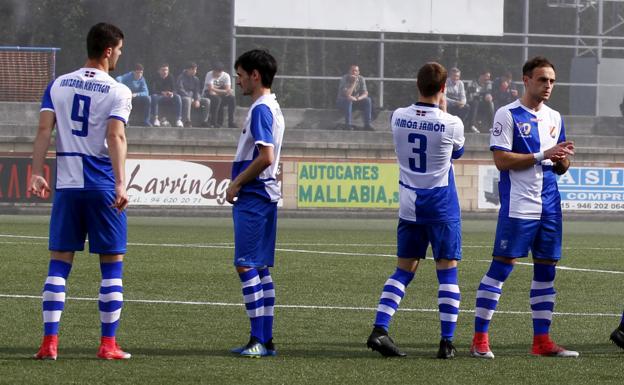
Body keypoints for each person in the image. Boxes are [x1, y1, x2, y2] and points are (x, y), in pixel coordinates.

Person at [29, 22, 132, 361]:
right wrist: (120, 182)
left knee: (58, 264)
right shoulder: (118, 90)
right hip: (102, 186)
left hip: (68, 187)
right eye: (118, 50)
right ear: (107, 50)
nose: (119, 55)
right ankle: (107, 345)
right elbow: (115, 137)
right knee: (111, 266)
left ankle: (49, 343)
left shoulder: (58, 84)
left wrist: (37, 172)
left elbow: (44, 130)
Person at [470, 56, 577, 359]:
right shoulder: (508, 114)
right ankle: (479, 339)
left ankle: (542, 342)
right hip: (519, 204)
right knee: (502, 266)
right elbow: (502, 160)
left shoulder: (555, 117)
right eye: (542, 79)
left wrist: (561, 160)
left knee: (547, 270)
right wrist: (545, 153)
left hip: (550, 204)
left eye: (552, 81)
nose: (548, 86)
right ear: (526, 80)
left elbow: (561, 164)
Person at [366, 62, 465, 359]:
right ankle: (446, 341)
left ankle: (380, 329)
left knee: (403, 270)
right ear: (444, 88)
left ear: (417, 85)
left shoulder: (397, 117)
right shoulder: (452, 123)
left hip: (410, 204)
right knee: (447, 271)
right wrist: (444, 111)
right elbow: (456, 153)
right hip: (441, 204)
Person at [225, 49, 284, 358]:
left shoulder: (262, 108)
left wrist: (236, 182)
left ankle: (258, 340)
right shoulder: (271, 106)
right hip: (264, 194)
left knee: (246, 264)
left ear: (255, 75)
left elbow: (265, 157)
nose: (238, 81)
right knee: (259, 267)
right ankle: (266, 339)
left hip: (255, 195)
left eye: (240, 75)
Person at [336, 64, 373, 130]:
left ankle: (367, 125)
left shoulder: (361, 78)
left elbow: (365, 93)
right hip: (343, 101)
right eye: (352, 71)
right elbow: (347, 94)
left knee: (368, 100)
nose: (354, 72)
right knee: (348, 100)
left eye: (356, 71)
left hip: (355, 100)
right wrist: (354, 82)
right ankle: (348, 125)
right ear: (349, 71)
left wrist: (359, 98)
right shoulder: (344, 78)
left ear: (358, 72)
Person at [202, 61, 237, 128]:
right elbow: (210, 90)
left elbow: (228, 90)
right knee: (217, 99)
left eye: (216, 72)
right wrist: (224, 91)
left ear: (221, 71)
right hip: (208, 94)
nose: (215, 74)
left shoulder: (226, 76)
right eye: (214, 72)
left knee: (232, 98)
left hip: (220, 95)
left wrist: (215, 90)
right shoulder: (209, 74)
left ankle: (231, 122)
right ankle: (214, 122)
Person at [176, 62, 210, 127]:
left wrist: (197, 100)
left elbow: (197, 91)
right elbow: (180, 89)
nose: (195, 71)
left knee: (207, 101)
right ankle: (187, 121)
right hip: (184, 97)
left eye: (195, 70)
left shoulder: (196, 79)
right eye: (193, 69)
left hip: (193, 98)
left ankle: (204, 121)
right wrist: (190, 98)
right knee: (187, 100)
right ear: (188, 69)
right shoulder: (181, 77)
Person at [150, 63, 184, 128]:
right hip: (159, 96)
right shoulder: (155, 78)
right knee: (154, 97)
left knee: (178, 97)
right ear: (159, 71)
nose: (165, 72)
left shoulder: (171, 77)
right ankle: (156, 119)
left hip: (169, 97)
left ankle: (178, 120)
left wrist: (172, 93)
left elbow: (175, 89)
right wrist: (162, 93)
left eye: (166, 70)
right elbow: (152, 90)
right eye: (163, 70)